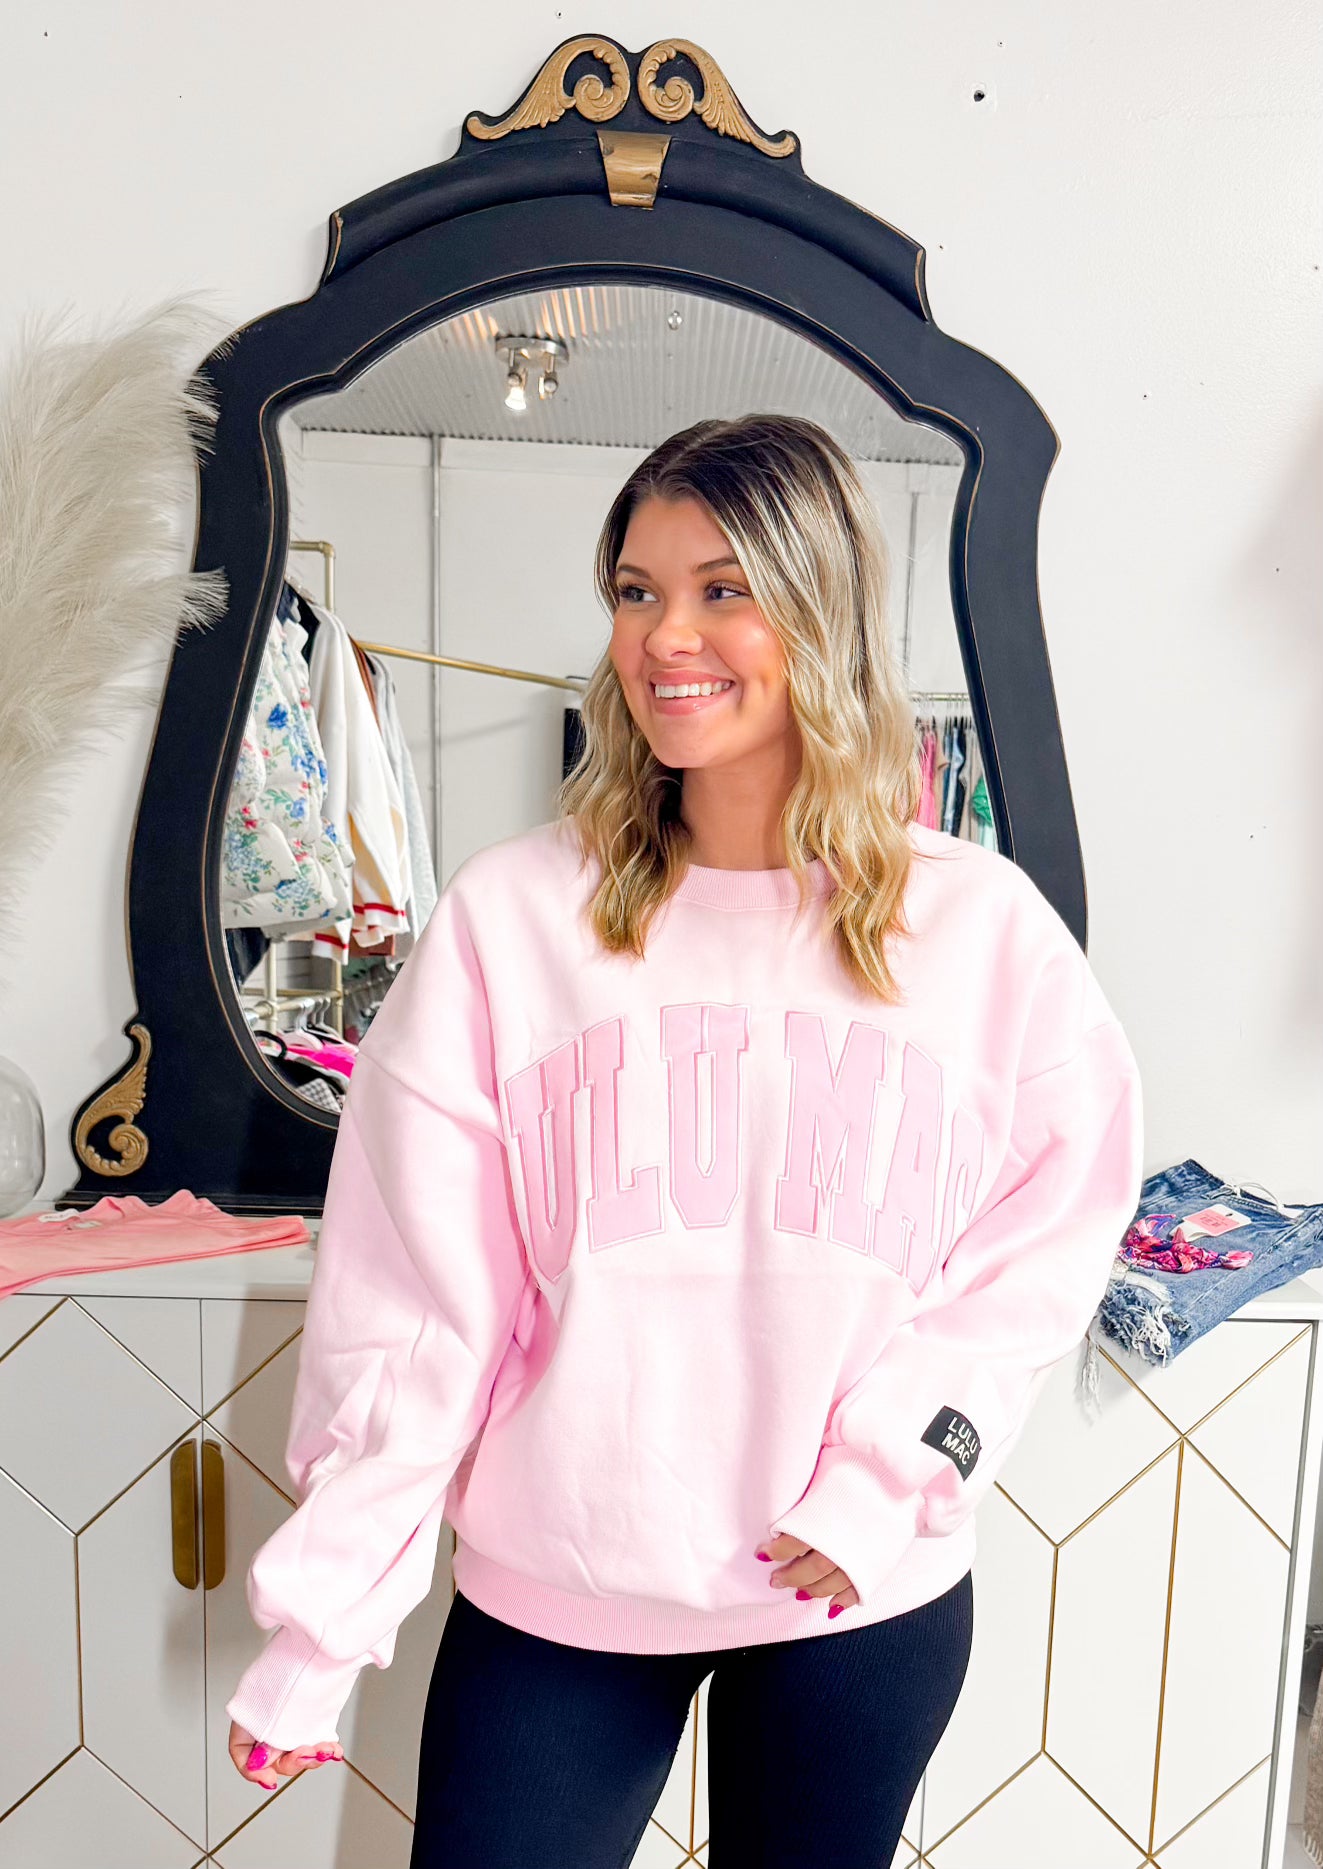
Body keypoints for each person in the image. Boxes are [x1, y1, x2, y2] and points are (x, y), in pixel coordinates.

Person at [225, 414, 1145, 1865]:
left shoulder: (981, 934)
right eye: (637, 591)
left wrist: (890, 1470)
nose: (666, 636)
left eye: (725, 589)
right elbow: (418, 1302)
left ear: (822, 612)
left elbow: (1044, 1243)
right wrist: (327, 1612)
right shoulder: (512, 922)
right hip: (564, 1586)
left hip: (850, 1592)